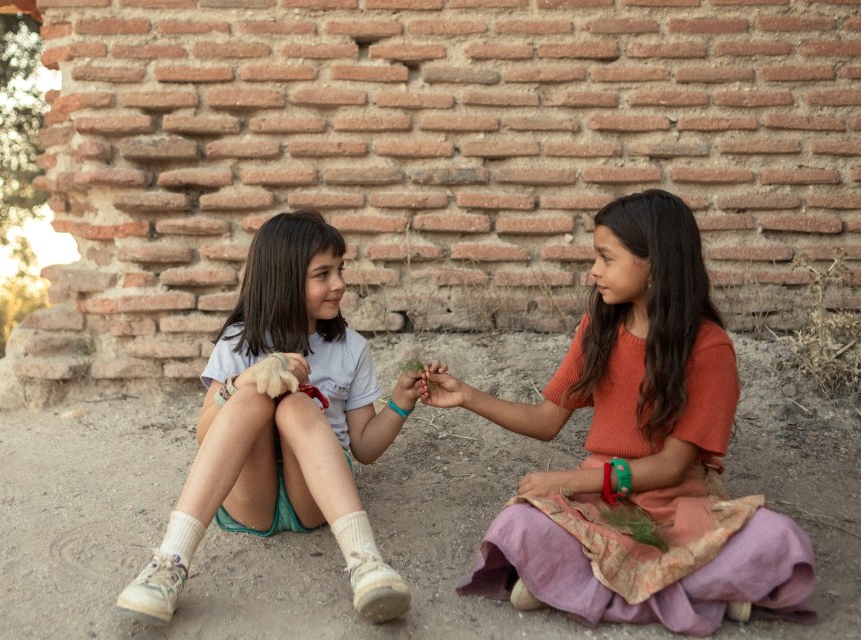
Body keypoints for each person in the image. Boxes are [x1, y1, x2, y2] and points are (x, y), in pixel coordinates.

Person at [419, 189, 817, 636]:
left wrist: (568, 480)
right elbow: (547, 421)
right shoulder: (599, 328)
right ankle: (704, 590)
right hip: (601, 503)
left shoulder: (709, 349)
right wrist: (466, 395)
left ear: (654, 267)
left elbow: (671, 467)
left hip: (678, 502)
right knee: (518, 524)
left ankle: (575, 585)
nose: (594, 271)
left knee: (777, 539)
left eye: (607, 258)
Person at [115, 211, 435, 626]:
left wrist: (400, 402)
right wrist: (245, 380)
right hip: (251, 494)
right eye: (323, 273)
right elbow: (204, 434)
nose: (339, 283)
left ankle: (366, 563)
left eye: (340, 270)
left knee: (297, 403)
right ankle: (168, 564)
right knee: (253, 399)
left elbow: (365, 448)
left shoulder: (350, 348)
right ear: (284, 279)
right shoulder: (238, 341)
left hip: (316, 494)